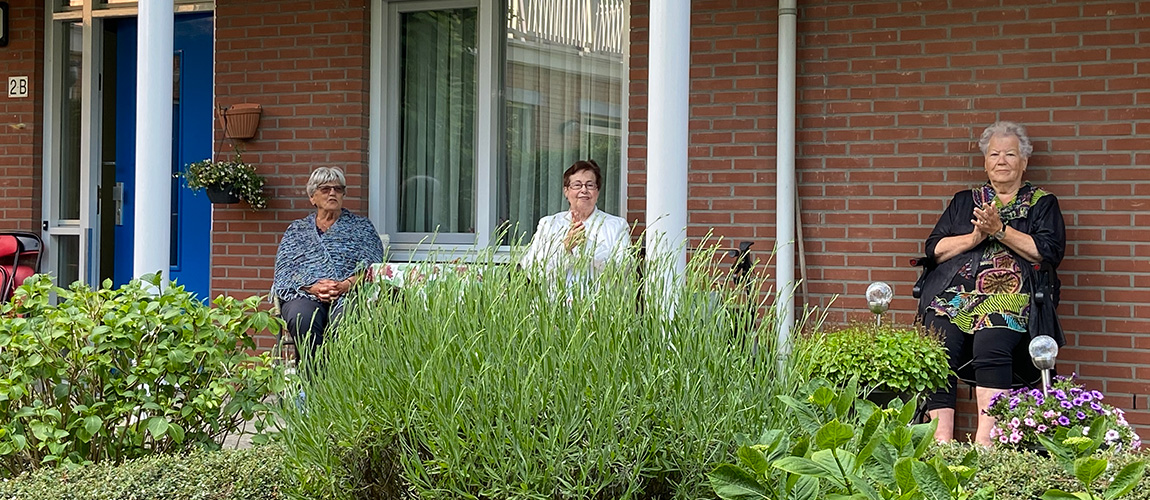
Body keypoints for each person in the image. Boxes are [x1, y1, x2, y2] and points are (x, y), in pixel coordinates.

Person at [918, 121, 1066, 446]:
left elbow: (1048, 251)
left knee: (991, 340)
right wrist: (974, 237)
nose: (1001, 161)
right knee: (938, 344)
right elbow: (934, 249)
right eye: (994, 154)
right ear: (985, 161)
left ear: (1024, 162)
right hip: (958, 292)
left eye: (1010, 154)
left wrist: (1001, 231)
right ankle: (940, 441)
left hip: (1012, 292)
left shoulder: (1042, 203)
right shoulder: (964, 201)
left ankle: (986, 444)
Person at [273, 167, 384, 367]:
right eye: (325, 189)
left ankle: (341, 376)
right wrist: (312, 287)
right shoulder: (297, 230)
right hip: (305, 294)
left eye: (338, 189)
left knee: (346, 318)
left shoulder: (362, 227)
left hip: (351, 293)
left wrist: (345, 285)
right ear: (312, 197)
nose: (332, 193)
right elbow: (286, 272)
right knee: (302, 317)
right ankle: (313, 376)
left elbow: (373, 266)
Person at [519, 159, 631, 285]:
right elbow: (534, 273)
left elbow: (623, 271)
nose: (584, 190)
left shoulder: (616, 225)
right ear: (566, 191)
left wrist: (587, 246)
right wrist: (565, 248)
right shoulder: (548, 224)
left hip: (600, 298)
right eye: (577, 185)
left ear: (597, 191)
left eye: (590, 185)